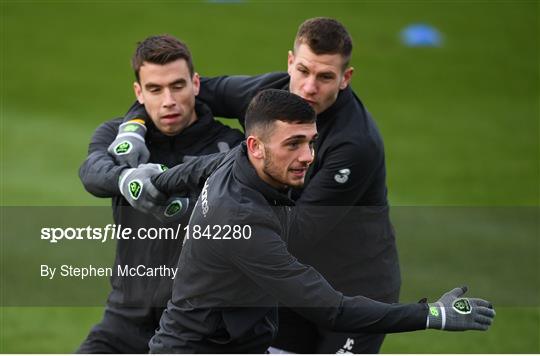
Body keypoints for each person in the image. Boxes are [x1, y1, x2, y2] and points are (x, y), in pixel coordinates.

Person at [121, 17, 402, 353]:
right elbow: (176, 89)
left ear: (346, 78)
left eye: (325, 76)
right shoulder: (267, 98)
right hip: (288, 284)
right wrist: (132, 126)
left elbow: (299, 232)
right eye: (303, 70)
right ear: (289, 62)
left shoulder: (353, 145)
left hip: (353, 288)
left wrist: (217, 219)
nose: (309, 87)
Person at [139, 89, 494, 353]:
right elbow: (332, 310)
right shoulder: (242, 222)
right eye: (293, 144)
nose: (308, 157)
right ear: (256, 146)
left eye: (311, 142)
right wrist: (432, 315)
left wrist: (156, 182)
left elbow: (196, 169)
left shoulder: (236, 161)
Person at [77, 35, 243, 353]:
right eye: (155, 89)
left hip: (199, 328)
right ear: (139, 93)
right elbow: (91, 172)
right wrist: (125, 178)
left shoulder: (230, 147)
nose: (168, 100)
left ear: (196, 83)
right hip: (124, 321)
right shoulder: (116, 136)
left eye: (177, 86)